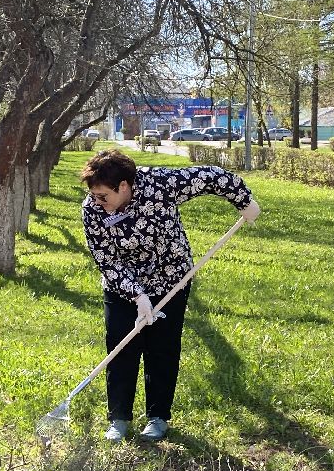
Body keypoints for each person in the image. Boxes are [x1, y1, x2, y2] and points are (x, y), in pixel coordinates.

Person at [80, 150, 261, 442]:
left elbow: (211, 177)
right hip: (122, 285)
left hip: (171, 279)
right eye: (94, 196)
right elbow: (106, 260)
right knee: (121, 346)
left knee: (162, 347)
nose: (98, 202)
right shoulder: (92, 209)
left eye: (103, 196)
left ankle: (158, 417)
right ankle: (119, 418)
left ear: (123, 186)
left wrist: (244, 201)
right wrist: (137, 295)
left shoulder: (160, 184)